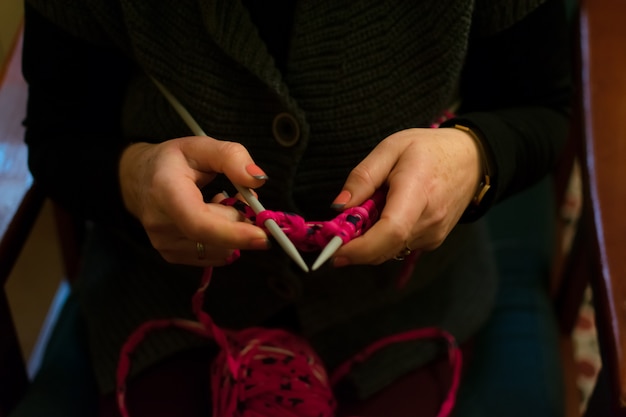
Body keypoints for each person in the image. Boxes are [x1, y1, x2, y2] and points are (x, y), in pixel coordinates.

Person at [20, 0, 572, 416]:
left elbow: (542, 112)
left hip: (405, 310)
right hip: (162, 300)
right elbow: (58, 135)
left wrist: (472, 157)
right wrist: (134, 181)